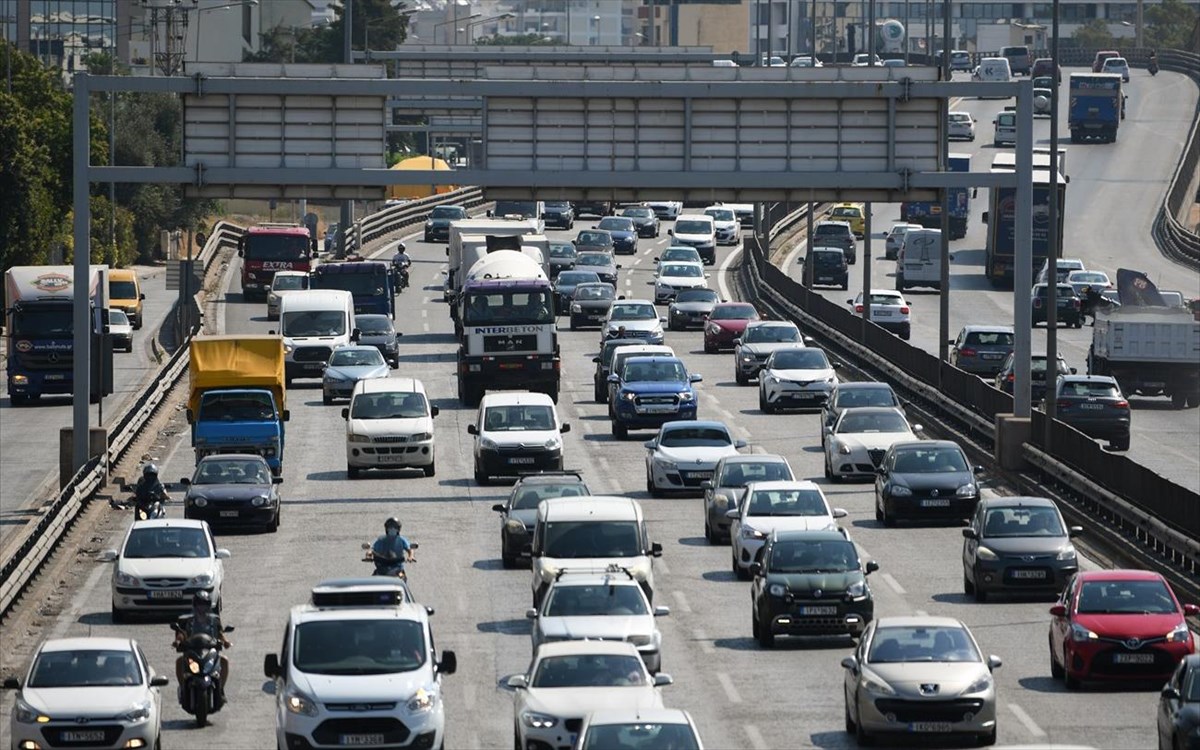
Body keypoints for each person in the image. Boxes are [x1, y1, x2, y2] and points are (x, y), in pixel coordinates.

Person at [174, 591, 231, 697]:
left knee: (224, 660)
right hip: (192, 650)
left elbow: (220, 634)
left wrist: (225, 641)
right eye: (200, 605)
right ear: (195, 605)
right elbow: (182, 634)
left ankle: (221, 689)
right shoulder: (188, 620)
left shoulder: (214, 620)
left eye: (204, 605)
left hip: (209, 650)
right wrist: (178, 641)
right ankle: (183, 689)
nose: (202, 607)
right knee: (179, 661)